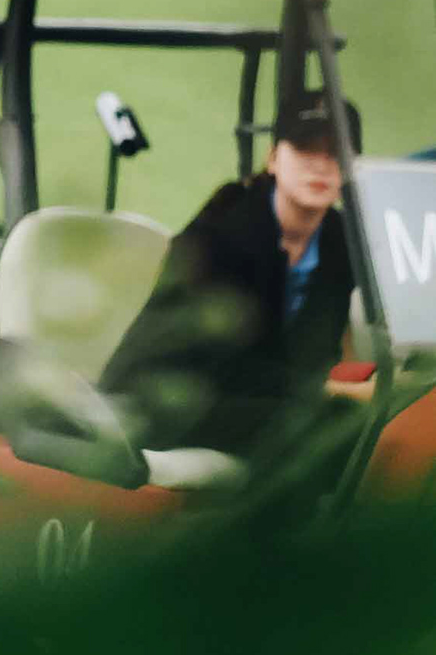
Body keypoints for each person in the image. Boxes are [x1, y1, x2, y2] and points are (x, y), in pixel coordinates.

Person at [87, 95, 365, 478]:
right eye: (304, 149)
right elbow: (220, 359)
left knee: (360, 427)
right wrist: (330, 391)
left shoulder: (340, 239)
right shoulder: (225, 229)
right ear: (273, 158)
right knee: (318, 426)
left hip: (257, 400)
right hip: (167, 393)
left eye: (336, 153)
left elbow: (324, 342)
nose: (320, 164)